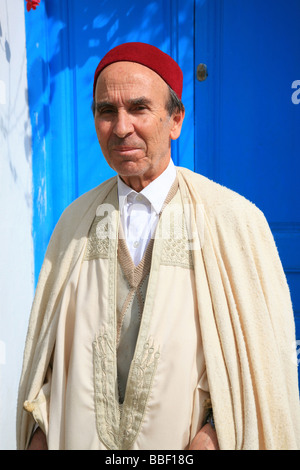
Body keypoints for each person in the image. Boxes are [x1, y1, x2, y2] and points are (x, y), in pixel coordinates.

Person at [17, 42, 300, 450]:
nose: (121, 127)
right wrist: (39, 434)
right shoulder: (73, 223)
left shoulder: (232, 219)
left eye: (139, 108)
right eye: (106, 111)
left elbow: (262, 370)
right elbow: (47, 358)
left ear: (175, 120)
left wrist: (215, 434)